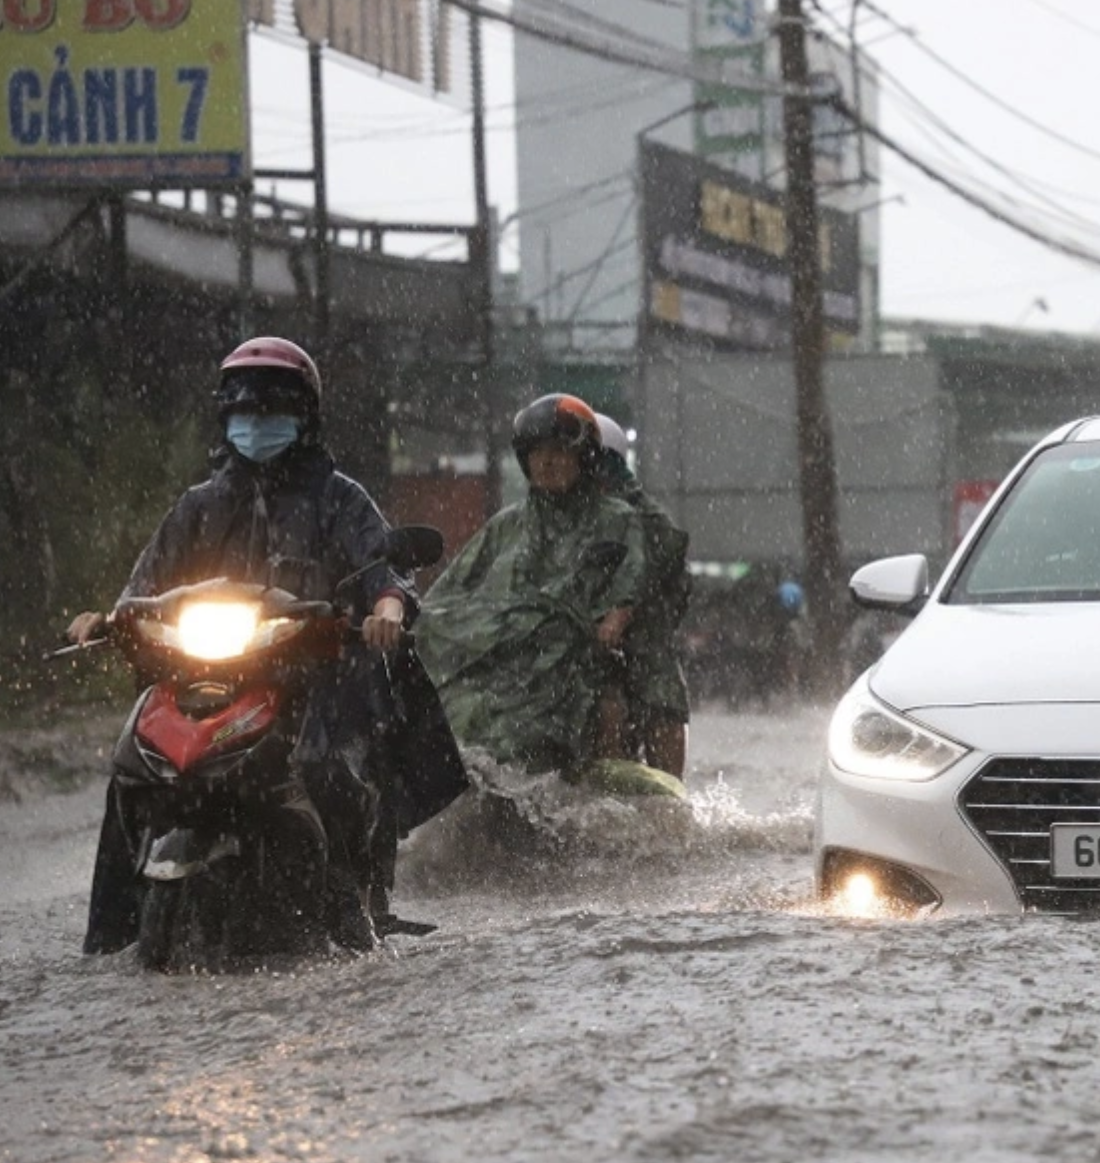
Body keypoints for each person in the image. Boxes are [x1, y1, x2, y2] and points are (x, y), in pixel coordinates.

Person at [69, 337, 467, 954]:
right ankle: (109, 936)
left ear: (304, 416)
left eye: (272, 410)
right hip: (205, 678)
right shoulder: (199, 505)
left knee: (326, 767)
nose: (256, 424)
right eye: (243, 411)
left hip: (310, 680)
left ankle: (353, 910)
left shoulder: (340, 498)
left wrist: (387, 602)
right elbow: (145, 586)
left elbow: (384, 566)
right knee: (133, 770)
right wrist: (107, 619)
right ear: (225, 417)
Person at [417, 394, 646, 773]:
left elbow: (633, 577)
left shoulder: (616, 519)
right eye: (537, 452)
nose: (547, 461)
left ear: (584, 457)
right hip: (498, 660)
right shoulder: (507, 525)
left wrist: (615, 618)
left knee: (601, 708)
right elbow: (449, 593)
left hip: (571, 664)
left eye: (558, 450)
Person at [589, 411, 692, 777]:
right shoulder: (548, 518)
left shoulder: (647, 521)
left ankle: (668, 805)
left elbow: (668, 586)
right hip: (576, 650)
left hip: (645, 649)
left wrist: (626, 616)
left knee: (663, 708)